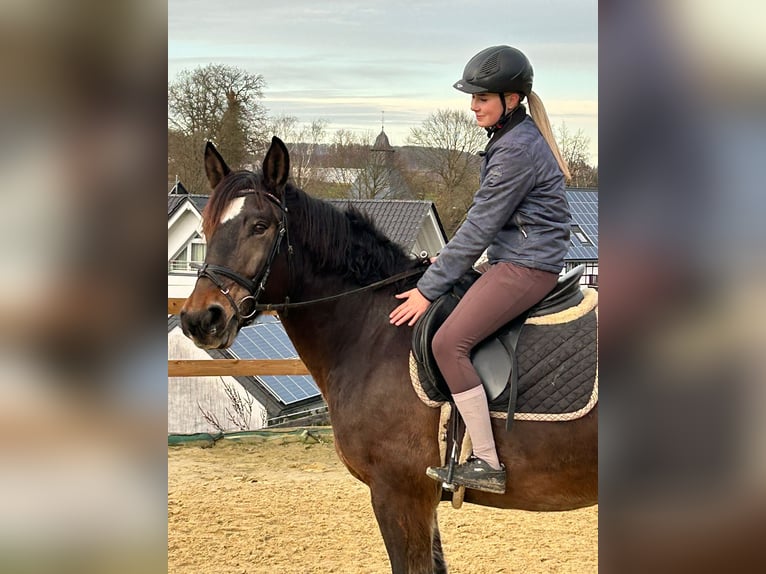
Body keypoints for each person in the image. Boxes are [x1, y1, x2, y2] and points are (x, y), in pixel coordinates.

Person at [389, 45, 572, 494]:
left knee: (448, 342)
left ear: (511, 100)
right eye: (471, 98)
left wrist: (429, 289)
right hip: (514, 257)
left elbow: (479, 227)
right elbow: (486, 224)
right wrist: (444, 262)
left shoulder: (516, 151)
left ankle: (487, 462)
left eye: (482, 98)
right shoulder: (511, 141)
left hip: (528, 266)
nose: (472, 106)